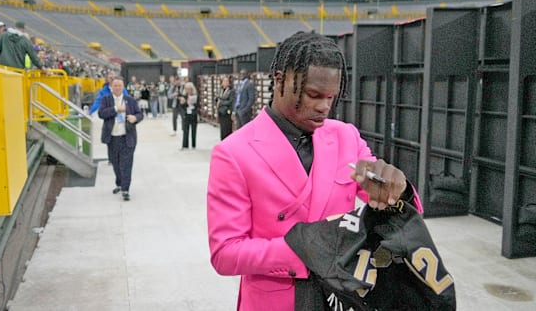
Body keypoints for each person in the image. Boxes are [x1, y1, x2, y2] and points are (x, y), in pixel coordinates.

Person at [206, 32, 421, 311]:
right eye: (313, 95)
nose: (324, 107)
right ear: (280, 80)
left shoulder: (346, 137)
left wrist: (397, 192)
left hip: (344, 296)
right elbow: (225, 253)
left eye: (331, 97)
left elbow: (398, 214)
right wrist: (305, 251)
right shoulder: (233, 152)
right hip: (276, 300)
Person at [98, 76, 143, 201]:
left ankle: (125, 189)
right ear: (111, 87)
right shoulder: (106, 99)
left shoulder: (130, 100)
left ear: (123, 87)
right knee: (115, 163)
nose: (117, 87)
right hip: (112, 138)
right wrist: (115, 109)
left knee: (126, 164)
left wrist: (135, 118)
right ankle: (119, 183)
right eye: (115, 85)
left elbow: (140, 114)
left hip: (127, 138)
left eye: (120, 85)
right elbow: (101, 114)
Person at [179, 81, 198, 149]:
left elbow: (198, 105)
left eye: (189, 89)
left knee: (193, 130)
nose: (188, 90)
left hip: (193, 114)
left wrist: (192, 104)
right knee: (185, 130)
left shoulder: (195, 96)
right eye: (186, 89)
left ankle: (193, 145)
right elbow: (181, 106)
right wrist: (184, 103)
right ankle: (185, 145)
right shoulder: (184, 96)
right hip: (186, 114)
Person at [216, 76, 234, 140]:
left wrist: (221, 102)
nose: (225, 82)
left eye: (227, 81)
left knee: (227, 128)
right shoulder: (219, 90)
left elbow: (230, 101)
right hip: (221, 112)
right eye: (224, 81)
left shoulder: (231, 91)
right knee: (222, 129)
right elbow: (217, 98)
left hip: (227, 111)